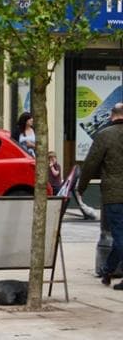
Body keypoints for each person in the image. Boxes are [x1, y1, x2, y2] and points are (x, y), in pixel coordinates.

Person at [78, 102, 123, 289]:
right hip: (115, 194)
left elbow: (90, 165)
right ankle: (107, 270)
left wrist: (80, 188)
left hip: (114, 195)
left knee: (119, 237)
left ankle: (107, 270)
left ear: (112, 115)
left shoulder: (104, 135)